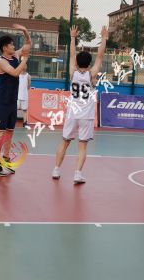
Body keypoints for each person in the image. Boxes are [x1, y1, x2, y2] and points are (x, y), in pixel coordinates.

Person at [52, 25, 108, 184]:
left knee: (65, 142)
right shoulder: (92, 74)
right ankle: (77, 174)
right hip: (86, 116)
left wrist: (72, 37)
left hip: (72, 114)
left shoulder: (73, 72)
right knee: (82, 146)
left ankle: (56, 169)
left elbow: (71, 54)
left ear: (77, 62)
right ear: (89, 63)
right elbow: (100, 56)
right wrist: (104, 38)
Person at [0, 24, 31, 176]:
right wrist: (25, 60)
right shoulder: (1, 61)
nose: (14, 46)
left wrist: (25, 31)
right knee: (0, 134)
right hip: (2, 102)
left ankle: (6, 160)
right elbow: (14, 73)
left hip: (12, 101)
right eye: (12, 44)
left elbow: (27, 45)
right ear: (5, 47)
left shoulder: (15, 56)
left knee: (9, 133)